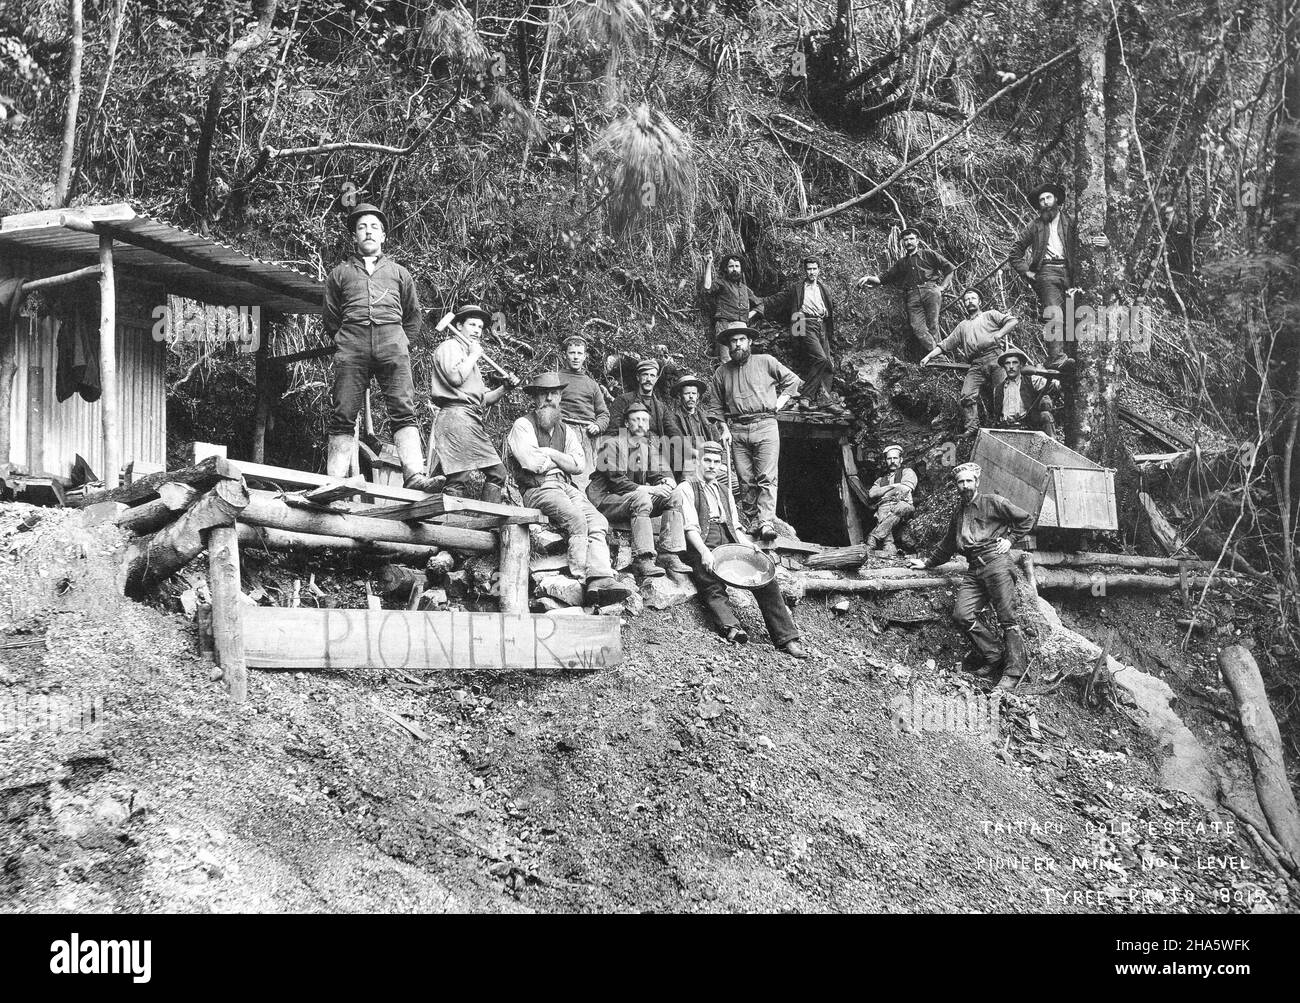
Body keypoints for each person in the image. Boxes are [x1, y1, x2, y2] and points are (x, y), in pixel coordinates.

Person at [321, 202, 443, 491]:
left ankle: (414, 476)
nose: (368, 232)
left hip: (393, 345)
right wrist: (346, 341)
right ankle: (332, 482)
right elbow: (330, 317)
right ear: (354, 236)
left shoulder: (400, 273)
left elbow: (413, 316)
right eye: (362, 227)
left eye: (374, 227)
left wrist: (400, 342)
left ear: (384, 235)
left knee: (403, 409)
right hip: (352, 345)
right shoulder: (339, 273)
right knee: (343, 414)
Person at [504, 373, 632, 606]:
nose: (549, 398)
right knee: (576, 519)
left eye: (554, 393)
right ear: (534, 398)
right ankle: (582, 576)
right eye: (543, 394)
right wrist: (563, 460)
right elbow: (532, 464)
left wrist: (551, 454)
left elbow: (579, 465)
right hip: (539, 488)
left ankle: (600, 577)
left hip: (567, 485)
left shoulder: (566, 430)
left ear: (561, 396)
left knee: (599, 521)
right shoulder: (523, 425)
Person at [907, 462, 1036, 690]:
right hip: (974, 568)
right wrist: (927, 562)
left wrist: (1010, 540)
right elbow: (947, 546)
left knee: (1007, 617)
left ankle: (1014, 673)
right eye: (960, 482)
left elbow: (1026, 518)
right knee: (962, 614)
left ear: (977, 482)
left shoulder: (992, 502)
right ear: (956, 486)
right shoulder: (958, 513)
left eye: (969, 481)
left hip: (997, 563)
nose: (965, 485)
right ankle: (994, 654)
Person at [674, 441, 808, 659]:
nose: (711, 466)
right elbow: (690, 528)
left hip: (727, 539)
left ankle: (787, 638)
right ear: (698, 462)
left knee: (764, 577)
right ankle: (732, 627)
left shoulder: (724, 490)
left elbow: (734, 525)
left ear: (720, 466)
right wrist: (704, 552)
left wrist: (747, 544)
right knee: (709, 580)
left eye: (716, 462)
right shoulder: (686, 488)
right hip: (701, 542)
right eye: (707, 460)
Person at [711, 321, 800, 541]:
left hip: (766, 424)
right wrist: (723, 428)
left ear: (749, 341)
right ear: (728, 346)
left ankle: (766, 522)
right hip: (737, 428)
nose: (737, 344)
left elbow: (793, 381)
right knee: (745, 479)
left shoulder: (766, 361)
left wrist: (779, 404)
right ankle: (752, 521)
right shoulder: (722, 372)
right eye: (733, 341)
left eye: (741, 340)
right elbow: (715, 405)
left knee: (766, 477)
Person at [588, 401, 691, 580]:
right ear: (627, 424)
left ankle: (669, 554)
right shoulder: (612, 444)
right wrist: (652, 490)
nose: (641, 424)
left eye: (645, 420)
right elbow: (616, 482)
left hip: (632, 498)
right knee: (642, 497)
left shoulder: (646, 447)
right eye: (636, 420)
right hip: (606, 499)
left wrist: (664, 482)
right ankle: (643, 558)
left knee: (674, 496)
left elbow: (655, 475)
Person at [428, 304, 516, 500]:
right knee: (459, 476)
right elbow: (455, 377)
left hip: (471, 419)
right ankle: (449, 524)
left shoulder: (469, 356)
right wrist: (474, 354)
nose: (477, 330)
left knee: (497, 473)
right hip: (456, 418)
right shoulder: (450, 347)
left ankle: (487, 521)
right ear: (458, 326)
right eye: (472, 324)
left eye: (480, 326)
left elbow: (483, 400)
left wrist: (505, 388)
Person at [920, 288, 1018, 438]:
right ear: (964, 304)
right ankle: (972, 428)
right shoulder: (962, 326)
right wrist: (928, 357)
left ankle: (1006, 426)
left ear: (979, 301)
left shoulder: (990, 315)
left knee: (1003, 392)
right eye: (966, 299)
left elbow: (1012, 321)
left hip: (996, 358)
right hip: (976, 364)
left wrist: (1000, 333)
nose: (970, 301)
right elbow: (946, 344)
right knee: (966, 395)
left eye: (973, 298)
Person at [751, 256, 844, 413]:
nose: (812, 272)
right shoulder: (798, 288)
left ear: (819, 270)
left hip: (821, 326)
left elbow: (830, 307)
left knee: (827, 364)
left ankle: (825, 399)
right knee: (819, 359)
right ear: (805, 271)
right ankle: (806, 397)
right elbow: (779, 298)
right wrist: (759, 301)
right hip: (804, 323)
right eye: (809, 269)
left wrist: (827, 319)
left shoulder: (823, 288)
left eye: (814, 269)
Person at [1009, 182, 1077, 373]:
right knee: (1054, 313)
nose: (1045, 202)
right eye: (1041, 200)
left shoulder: (1070, 221)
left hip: (1071, 274)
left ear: (1056, 200)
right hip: (1046, 273)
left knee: (1074, 317)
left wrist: (1104, 242)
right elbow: (1015, 252)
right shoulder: (1035, 226)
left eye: (1048, 198)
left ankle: (1071, 359)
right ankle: (1056, 358)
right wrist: (1026, 271)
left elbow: (1089, 240)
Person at [857, 226, 955, 353]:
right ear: (902, 243)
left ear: (917, 241)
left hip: (930, 291)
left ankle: (939, 359)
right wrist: (869, 278)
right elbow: (884, 278)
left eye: (911, 239)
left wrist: (942, 287)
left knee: (932, 325)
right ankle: (937, 356)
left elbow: (950, 269)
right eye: (905, 240)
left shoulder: (928, 254)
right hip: (912, 295)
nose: (908, 242)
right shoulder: (901, 263)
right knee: (917, 328)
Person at [554, 333, 609, 492]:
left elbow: (604, 414)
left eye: (579, 353)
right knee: (562, 476)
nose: (576, 357)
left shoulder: (592, 384)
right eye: (572, 353)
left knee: (586, 480)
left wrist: (598, 426)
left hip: (587, 434)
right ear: (565, 355)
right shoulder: (556, 378)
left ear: (585, 356)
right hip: (562, 430)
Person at [859, 444, 916, 568]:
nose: (892, 461)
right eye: (889, 459)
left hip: (903, 505)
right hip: (884, 507)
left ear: (901, 459)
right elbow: (872, 493)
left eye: (895, 458)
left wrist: (884, 492)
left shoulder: (907, 472)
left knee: (900, 507)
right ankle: (889, 546)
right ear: (886, 461)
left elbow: (906, 488)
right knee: (883, 510)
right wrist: (893, 486)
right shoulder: (880, 479)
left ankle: (874, 536)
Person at [668, 372, 725, 485]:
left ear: (698, 396)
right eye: (687, 393)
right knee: (696, 487)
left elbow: (718, 442)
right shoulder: (673, 418)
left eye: (694, 393)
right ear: (680, 396)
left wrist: (722, 463)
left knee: (735, 484)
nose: (691, 397)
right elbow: (678, 445)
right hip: (688, 464)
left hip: (711, 463)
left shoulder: (705, 418)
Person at [702, 254, 760, 363]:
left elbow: (759, 304)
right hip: (725, 325)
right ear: (726, 269)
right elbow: (707, 287)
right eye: (731, 266)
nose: (734, 269)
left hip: (742, 326)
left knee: (744, 358)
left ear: (741, 269)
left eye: (737, 266)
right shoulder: (722, 283)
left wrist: (749, 315)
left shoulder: (745, 289)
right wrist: (709, 264)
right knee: (726, 359)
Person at [993, 347, 1058, 439]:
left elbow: (1054, 385)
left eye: (1015, 363)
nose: (1011, 366)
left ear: (1021, 365)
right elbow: (996, 414)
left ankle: (1052, 450)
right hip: (1006, 429)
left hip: (1028, 427)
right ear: (1004, 366)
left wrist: (1057, 378)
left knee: (1045, 416)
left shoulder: (1031, 380)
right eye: (1007, 363)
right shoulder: (998, 389)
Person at [607, 357, 678, 441]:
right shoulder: (623, 401)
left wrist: (688, 450)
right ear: (638, 377)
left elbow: (673, 431)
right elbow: (612, 431)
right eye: (645, 374)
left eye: (652, 375)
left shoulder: (660, 407)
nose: (648, 379)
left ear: (656, 379)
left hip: (655, 451)